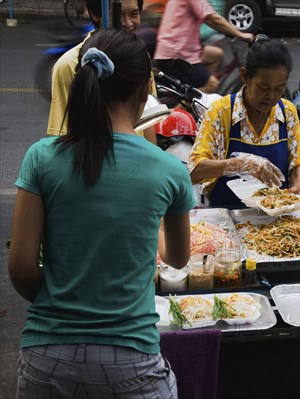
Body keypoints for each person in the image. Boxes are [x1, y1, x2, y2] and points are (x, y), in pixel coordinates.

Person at [9, 29, 195, 398]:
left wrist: (64, 303)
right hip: (131, 363)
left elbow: (22, 269)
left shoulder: (41, 157)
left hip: (45, 360)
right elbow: (176, 258)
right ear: (146, 92)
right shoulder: (168, 169)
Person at [188, 35, 300, 208]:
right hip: (226, 215)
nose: (272, 96)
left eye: (279, 89)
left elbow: (297, 162)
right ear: (244, 76)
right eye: (264, 88)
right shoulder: (222, 112)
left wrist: (296, 187)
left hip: (276, 217)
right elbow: (193, 170)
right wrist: (239, 164)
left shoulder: (287, 112)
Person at [46, 0, 158, 143]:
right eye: (118, 15)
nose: (128, 23)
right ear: (94, 14)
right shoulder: (67, 65)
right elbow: (62, 134)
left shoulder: (141, 57)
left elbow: (148, 121)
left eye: (134, 14)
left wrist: (153, 159)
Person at [154, 0, 253, 93]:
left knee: (216, 54)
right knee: (212, 84)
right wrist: (240, 34)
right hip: (177, 53)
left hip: (178, 48)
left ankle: (197, 87)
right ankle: (185, 104)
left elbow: (210, 19)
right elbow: (212, 18)